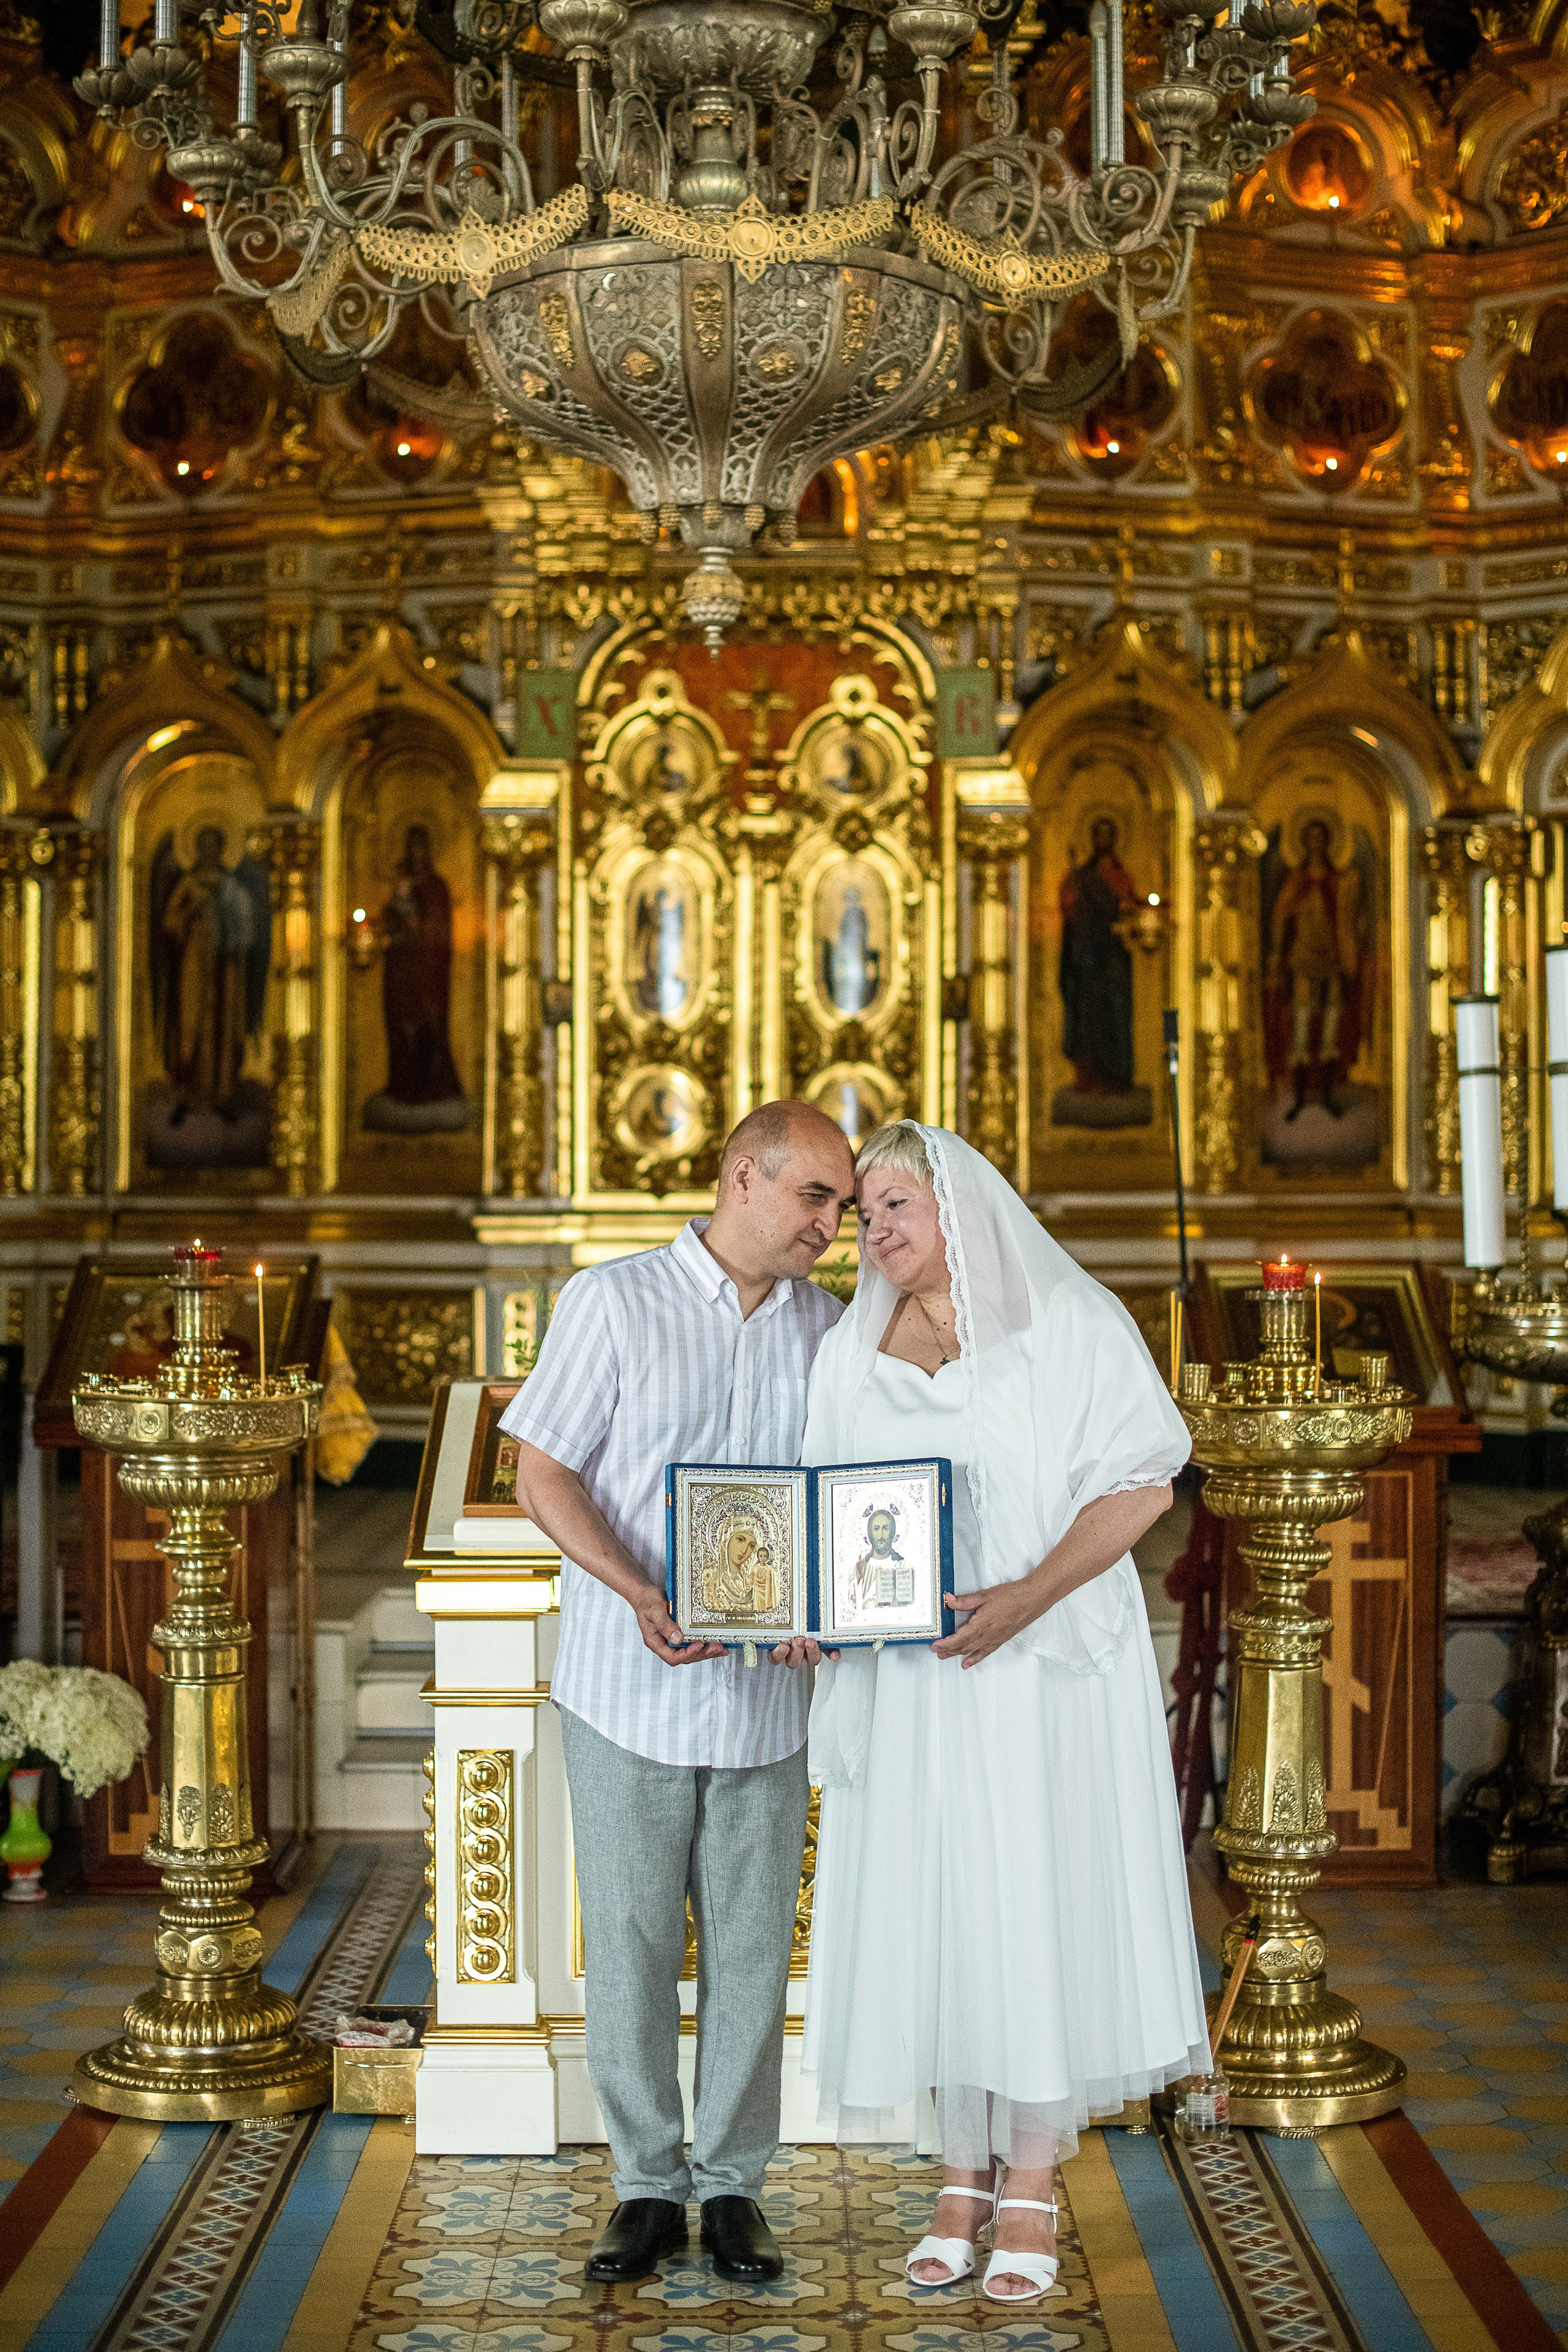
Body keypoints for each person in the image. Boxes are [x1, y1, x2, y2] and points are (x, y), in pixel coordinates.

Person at [779, 1120, 1208, 2306]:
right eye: (862, 1213)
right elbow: (821, 1496)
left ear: (961, 1210)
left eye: (895, 1206)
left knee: (1028, 1895)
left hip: (1037, 1669)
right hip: (905, 1679)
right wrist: (809, 1604)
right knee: (937, 1905)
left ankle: (1028, 2176)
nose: (874, 1230)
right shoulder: (850, 1341)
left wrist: (1022, 1596)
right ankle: (955, 2175)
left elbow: (1137, 1480)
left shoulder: (1065, 1326)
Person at [503, 1101, 856, 2288]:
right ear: (741, 1178)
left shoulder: (832, 1330)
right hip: (626, 1689)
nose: (831, 1224)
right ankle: (647, 2182)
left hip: (767, 1703)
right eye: (815, 1197)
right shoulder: (613, 1302)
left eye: (844, 1206)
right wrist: (634, 1592)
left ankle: (735, 2187)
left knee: (754, 1955)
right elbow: (539, 1469)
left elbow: (840, 1508)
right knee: (638, 1945)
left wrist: (831, 1610)